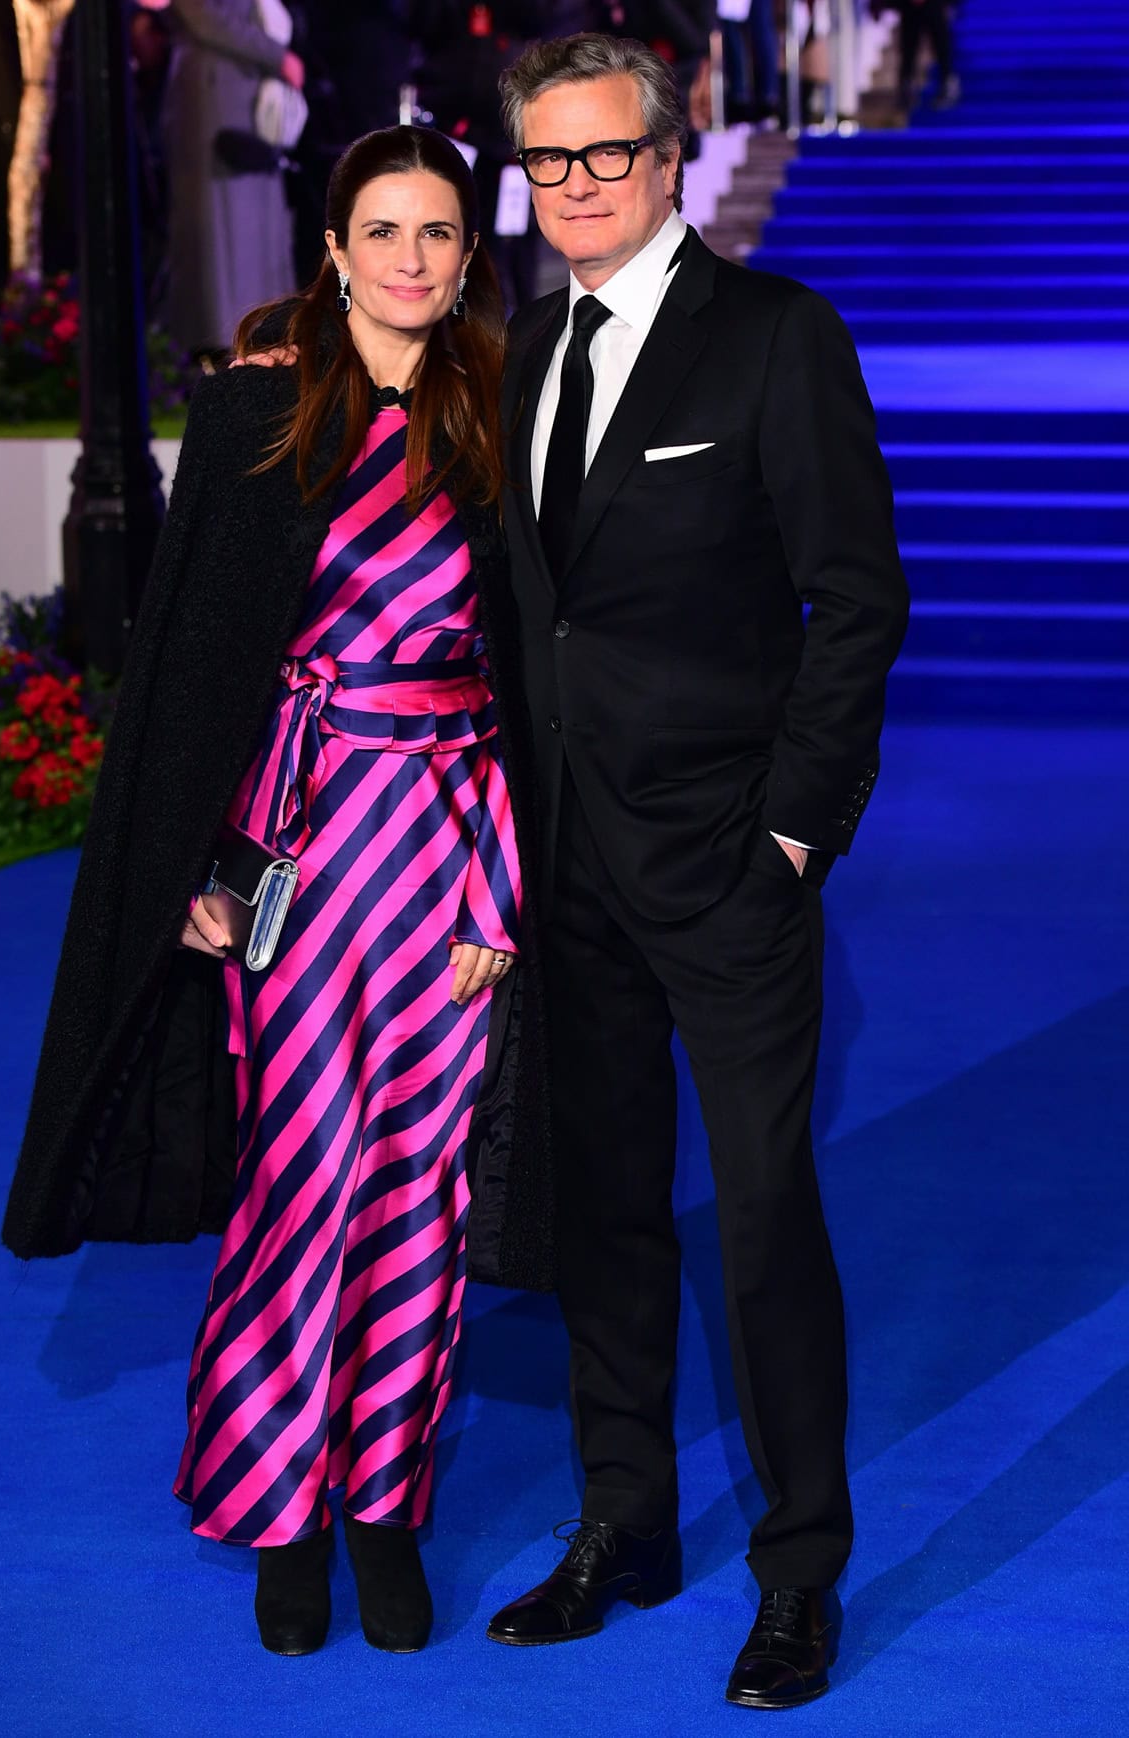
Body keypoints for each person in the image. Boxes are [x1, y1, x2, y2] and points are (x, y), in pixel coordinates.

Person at [1, 123, 556, 1659]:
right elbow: (193, 671)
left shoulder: (500, 410)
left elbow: (529, 686)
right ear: (331, 245)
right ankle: (278, 1505)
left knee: (421, 1197)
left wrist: (503, 895)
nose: (409, 258)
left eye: (438, 233)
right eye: (382, 229)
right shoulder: (253, 410)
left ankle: (384, 1500)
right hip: (296, 862)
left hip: (447, 858)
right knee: (301, 1184)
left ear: (467, 253)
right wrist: (198, 869)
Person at [484, 33, 909, 1710]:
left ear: (671, 156)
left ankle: (800, 1568)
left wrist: (796, 829)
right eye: (549, 162)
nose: (578, 186)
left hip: (732, 863)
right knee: (603, 1216)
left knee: (760, 1220)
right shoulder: (520, 346)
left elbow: (857, 594)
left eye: (606, 155)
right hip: (565, 865)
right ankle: (624, 1522)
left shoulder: (776, 336)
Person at [163, 0, 305, 354]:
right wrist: (276, 55)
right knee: (222, 222)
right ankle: (219, 340)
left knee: (251, 218)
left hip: (245, 89)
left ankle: (261, 333)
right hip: (215, 90)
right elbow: (203, 14)